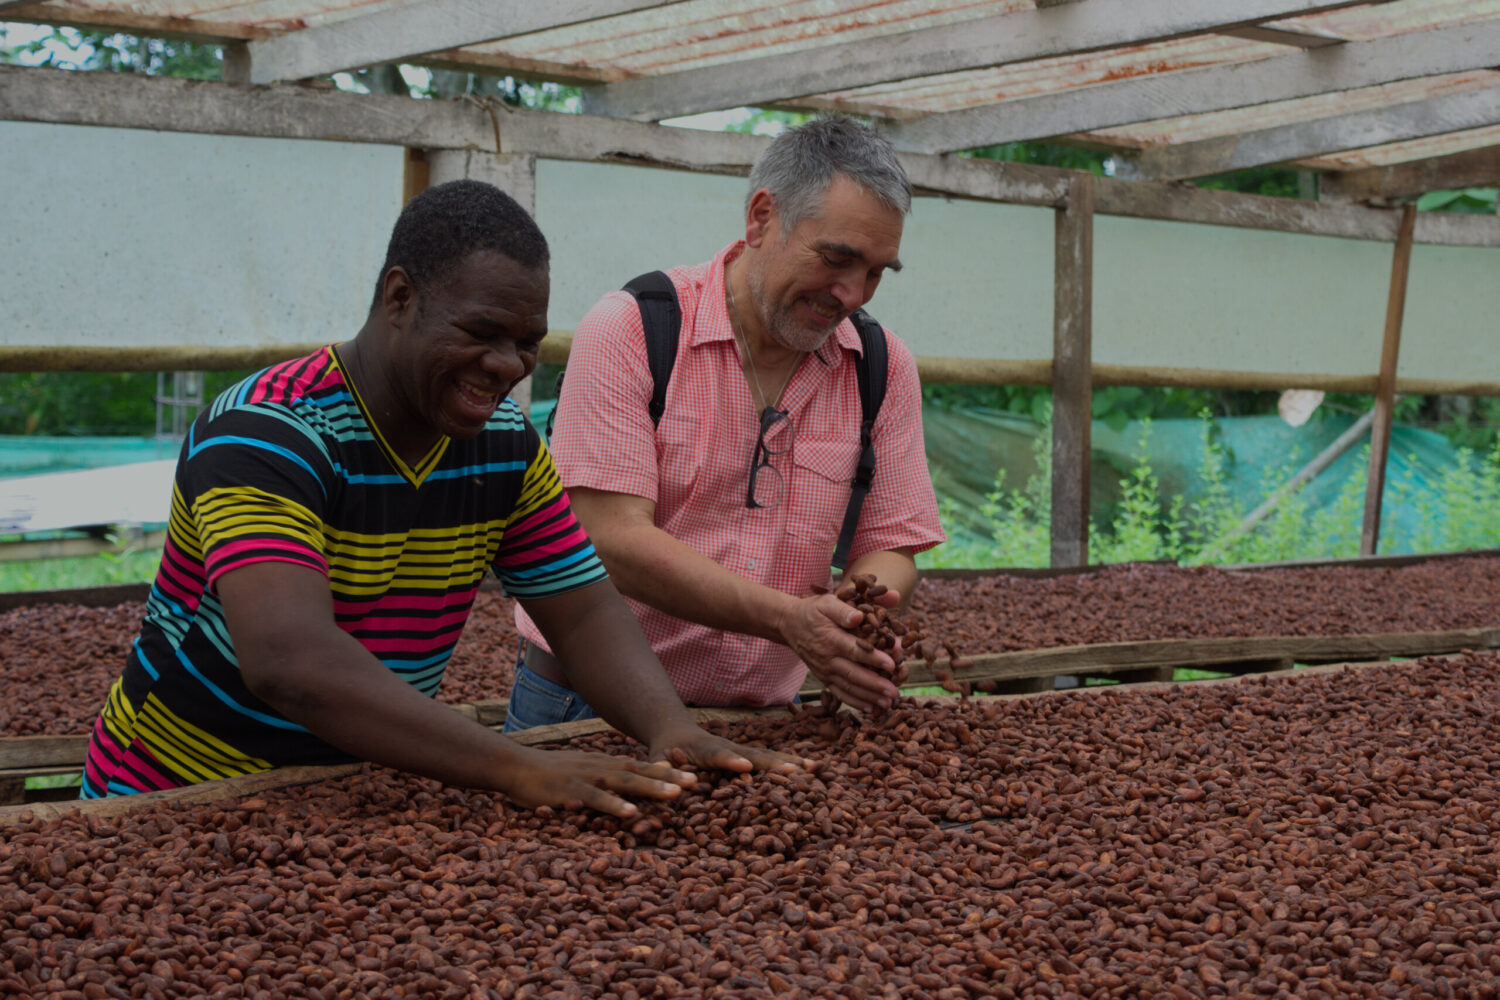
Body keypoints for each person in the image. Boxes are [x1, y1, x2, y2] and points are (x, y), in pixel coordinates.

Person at [81, 179, 804, 817]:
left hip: (359, 789)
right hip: (169, 798)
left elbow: (580, 609)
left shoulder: (506, 444)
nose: (506, 366)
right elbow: (289, 660)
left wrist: (667, 726)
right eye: (482, 332)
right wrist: (517, 766)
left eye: (528, 343)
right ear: (401, 297)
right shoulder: (269, 432)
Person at [508, 115, 944, 730]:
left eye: (875, 271)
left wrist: (854, 611)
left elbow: (892, 542)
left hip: (768, 717)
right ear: (762, 216)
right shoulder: (634, 329)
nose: (852, 293)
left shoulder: (881, 366)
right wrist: (789, 620)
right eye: (838, 259)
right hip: (592, 705)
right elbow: (610, 538)